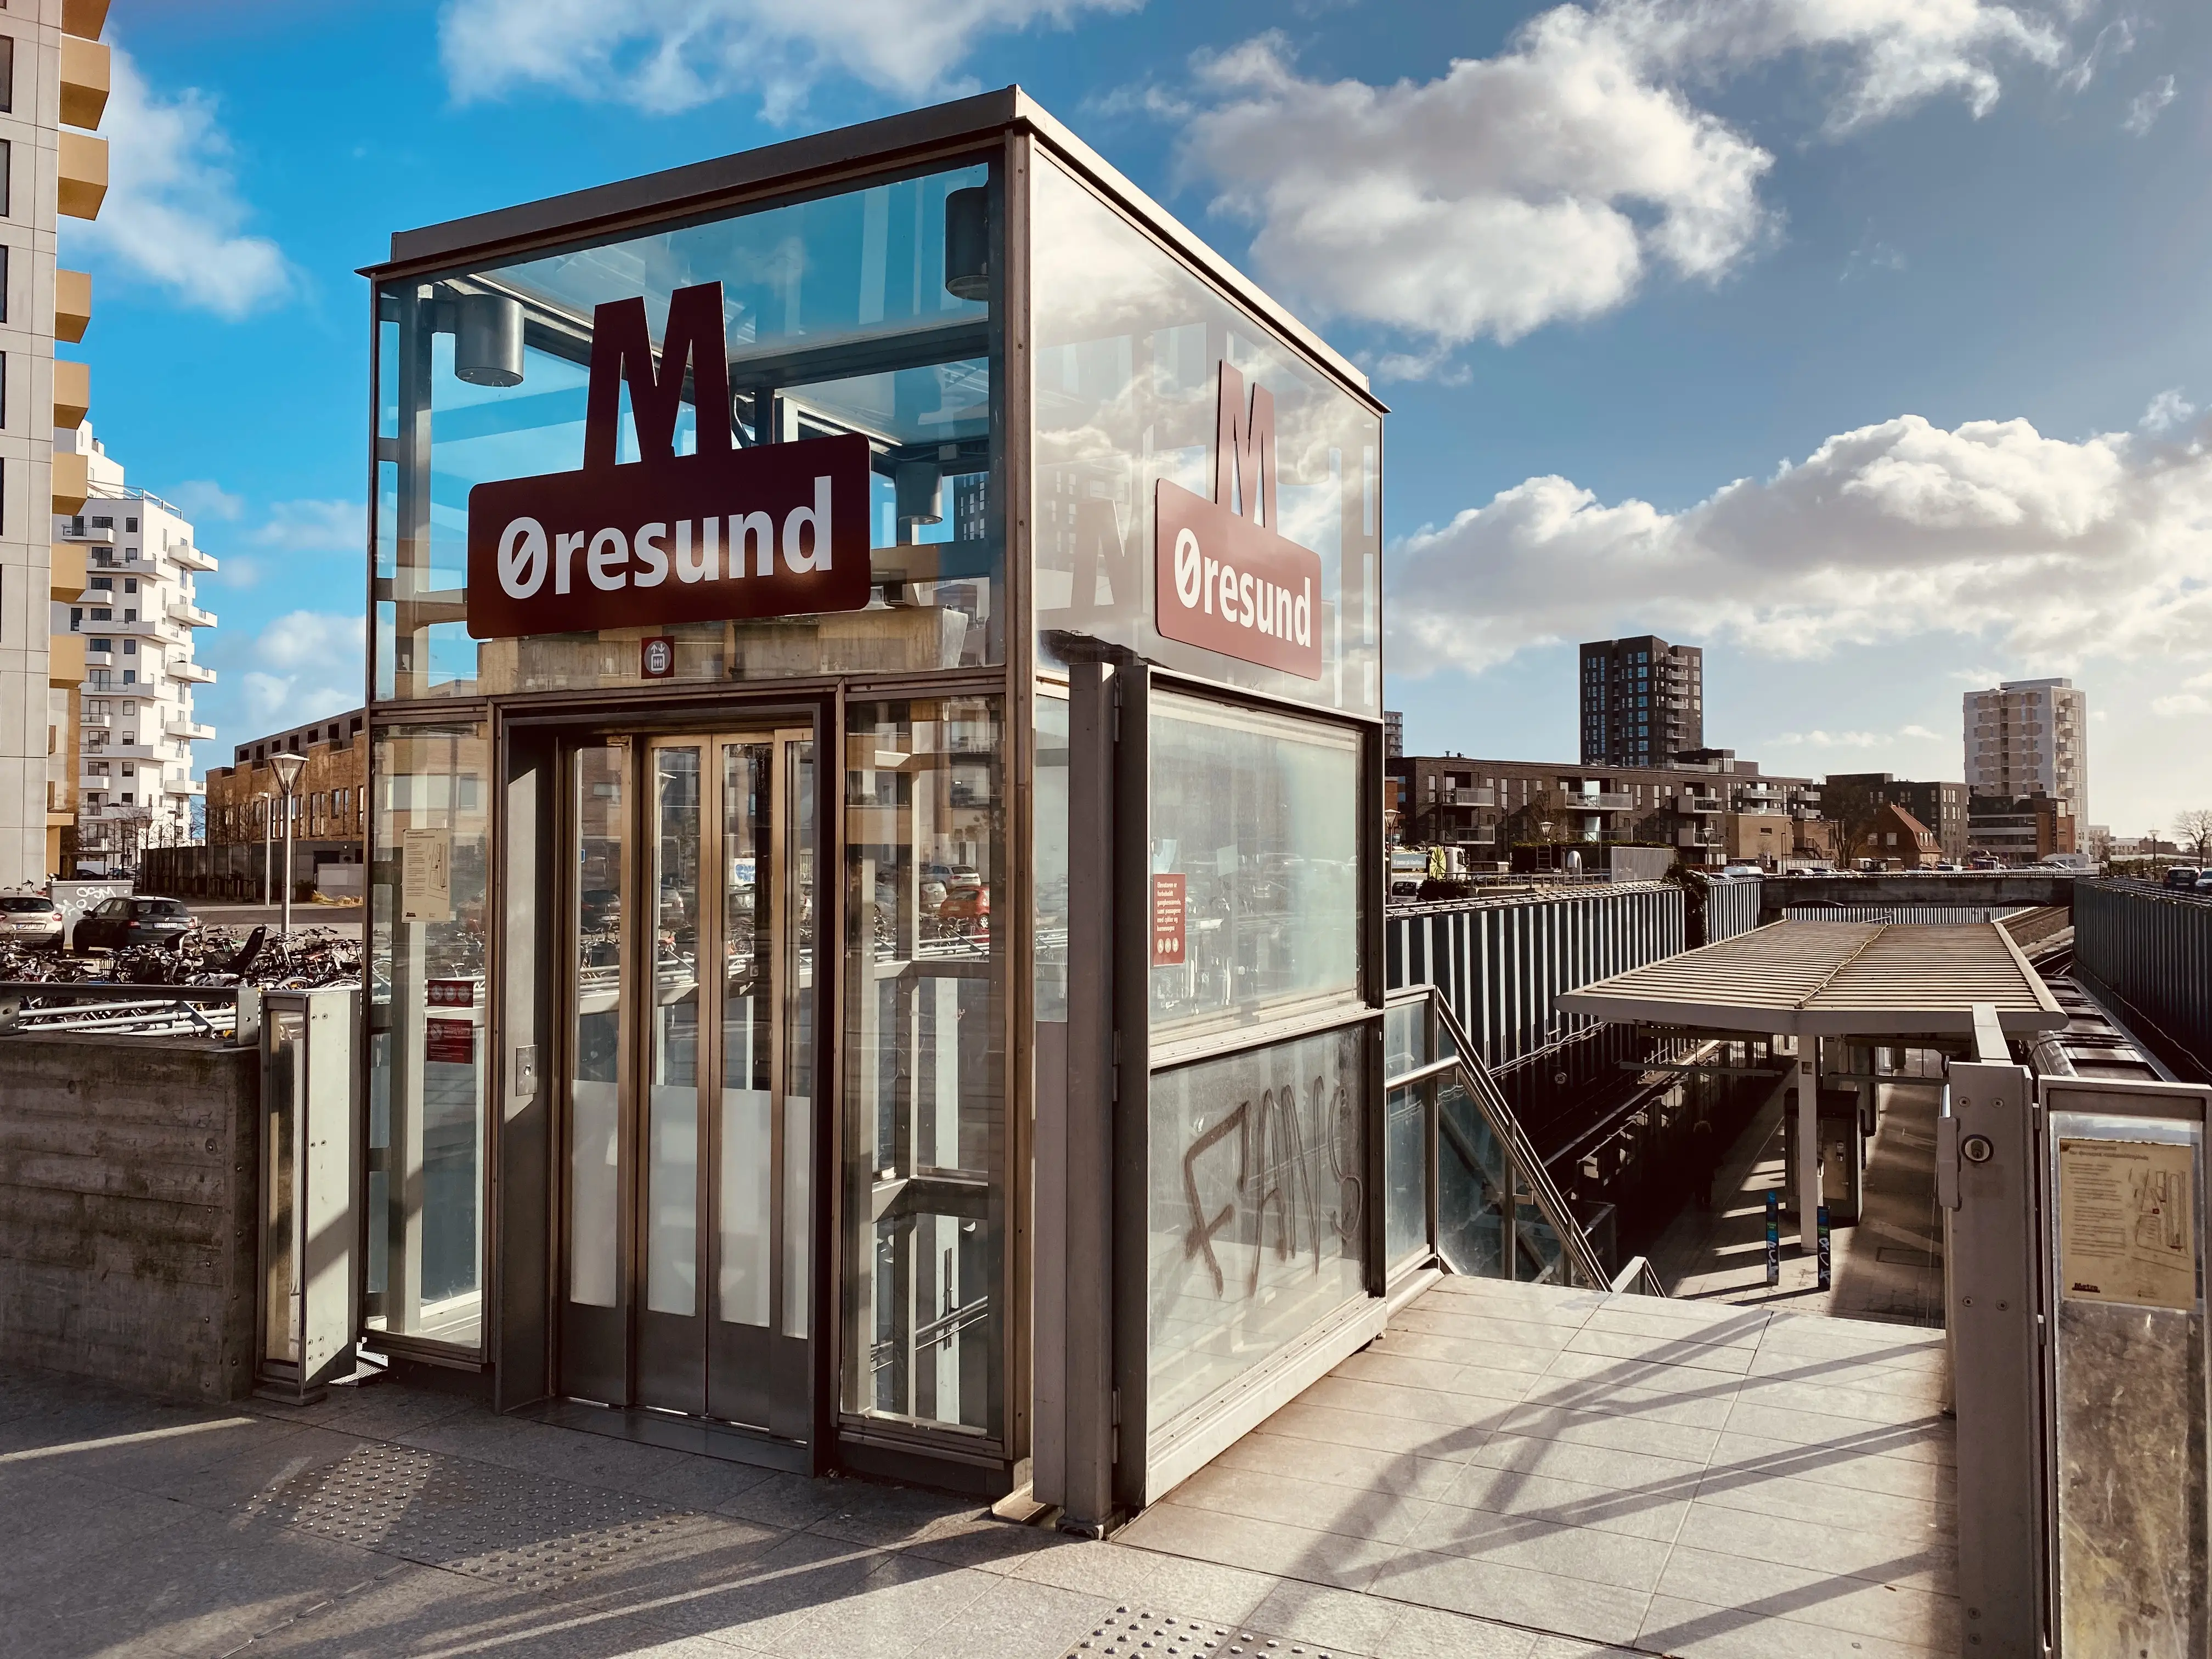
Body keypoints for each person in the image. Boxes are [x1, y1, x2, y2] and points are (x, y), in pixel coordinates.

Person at [1688, 1115, 1717, 1211]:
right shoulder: (1710, 1142)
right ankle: (1707, 1201)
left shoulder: (1693, 1143)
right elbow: (1714, 1154)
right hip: (1707, 1168)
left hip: (1697, 1168)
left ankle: (1699, 1199)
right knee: (1707, 1185)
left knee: (1698, 1184)